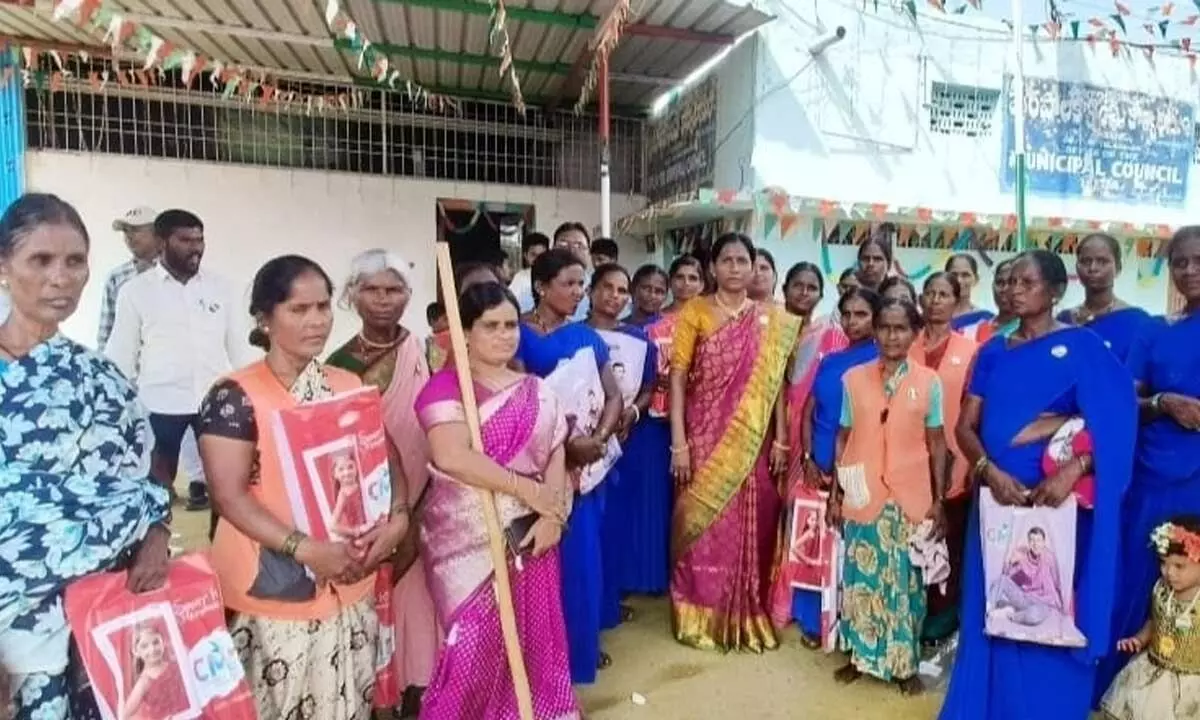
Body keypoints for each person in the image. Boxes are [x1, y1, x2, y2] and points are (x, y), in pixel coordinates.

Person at [198, 255, 410, 719]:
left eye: (323, 307)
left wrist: (397, 519)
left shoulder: (344, 382)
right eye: (299, 310)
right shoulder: (234, 396)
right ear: (264, 318)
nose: (316, 321)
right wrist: (306, 549)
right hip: (274, 591)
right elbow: (228, 496)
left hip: (349, 582)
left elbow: (385, 458)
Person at [939, 250, 1137, 720]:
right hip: (997, 499)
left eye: (1027, 282)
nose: (1014, 290)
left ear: (1055, 291)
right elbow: (965, 428)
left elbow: (1118, 421)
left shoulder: (1084, 348)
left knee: (1046, 605)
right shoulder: (992, 351)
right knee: (996, 606)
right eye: (1008, 282)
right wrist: (988, 471)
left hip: (1055, 505)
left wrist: (1073, 471)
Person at [0, 194, 171, 719]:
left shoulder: (100, 379)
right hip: (13, 635)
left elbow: (147, 477)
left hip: (99, 616)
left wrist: (156, 536)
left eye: (75, 261)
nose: (61, 278)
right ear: (3, 268)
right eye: (41, 260)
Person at [415, 281, 580, 720]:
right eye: (491, 326)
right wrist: (529, 493)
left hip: (532, 537)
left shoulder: (536, 389)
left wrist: (553, 517)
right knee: (473, 650)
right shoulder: (445, 388)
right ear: (465, 332)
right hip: (469, 544)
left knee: (533, 642)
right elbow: (452, 456)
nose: (505, 335)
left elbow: (556, 452)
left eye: (511, 325)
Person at [669, 233, 803, 652]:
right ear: (712, 268)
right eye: (725, 260)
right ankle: (699, 613)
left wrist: (782, 440)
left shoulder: (772, 319)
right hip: (703, 435)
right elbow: (677, 376)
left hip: (756, 439)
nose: (733, 267)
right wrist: (679, 443)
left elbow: (777, 384)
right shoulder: (695, 311)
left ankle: (747, 612)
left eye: (741, 260)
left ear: (753, 267)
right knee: (704, 524)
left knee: (753, 520)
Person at [324, 249, 438, 717]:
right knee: (381, 593)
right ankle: (381, 691)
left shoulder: (431, 350)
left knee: (423, 596)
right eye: (371, 289)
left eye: (393, 290)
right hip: (374, 505)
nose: (383, 300)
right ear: (352, 296)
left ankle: (423, 685)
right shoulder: (338, 364)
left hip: (434, 491)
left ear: (408, 296)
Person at [1100, 226, 1200, 696]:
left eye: (1197, 260)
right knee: (1145, 572)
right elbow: (1126, 403)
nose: (1188, 270)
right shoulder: (1154, 331)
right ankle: (1128, 686)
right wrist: (1163, 403)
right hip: (1154, 475)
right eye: (1180, 262)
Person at [831, 297, 948, 694]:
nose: (891, 335)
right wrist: (835, 493)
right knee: (860, 577)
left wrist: (939, 501)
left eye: (900, 328)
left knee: (906, 585)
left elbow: (937, 442)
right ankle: (859, 656)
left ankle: (904, 664)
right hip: (863, 493)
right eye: (884, 327)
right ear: (874, 331)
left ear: (915, 333)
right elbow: (843, 435)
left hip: (909, 498)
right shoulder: (853, 378)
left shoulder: (928, 382)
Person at [517, 248, 622, 683]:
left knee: (581, 561)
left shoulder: (588, 338)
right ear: (542, 286)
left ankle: (579, 651)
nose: (579, 293)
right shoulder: (515, 333)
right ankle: (536, 659)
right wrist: (561, 446)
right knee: (537, 561)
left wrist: (597, 440)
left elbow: (613, 395)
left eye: (582, 284)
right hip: (532, 464)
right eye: (570, 284)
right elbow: (515, 399)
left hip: (584, 468)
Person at [105, 209, 252, 512]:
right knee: (155, 488)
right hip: (160, 404)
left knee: (228, 485)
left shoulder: (221, 288)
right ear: (162, 242)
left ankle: (226, 551)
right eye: (185, 240)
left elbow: (240, 349)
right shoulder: (135, 292)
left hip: (215, 401)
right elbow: (120, 355)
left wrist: (253, 395)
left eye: (199, 240)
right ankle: (156, 552)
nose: (195, 247)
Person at [768, 262, 849, 630]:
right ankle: (770, 590)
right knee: (774, 510)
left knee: (801, 513)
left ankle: (796, 602)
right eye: (797, 285)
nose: (803, 292)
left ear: (820, 294)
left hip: (808, 435)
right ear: (784, 289)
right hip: (769, 431)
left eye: (811, 287)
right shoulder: (772, 331)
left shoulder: (831, 337)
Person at [586, 264, 657, 625]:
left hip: (624, 445)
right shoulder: (574, 335)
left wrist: (631, 412)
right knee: (586, 531)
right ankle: (589, 608)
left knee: (614, 526)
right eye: (608, 288)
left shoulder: (640, 339)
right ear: (590, 291)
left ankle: (609, 602)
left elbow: (648, 388)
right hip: (581, 446)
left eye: (622, 290)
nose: (615, 296)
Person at [914, 271, 979, 643]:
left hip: (954, 461)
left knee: (948, 545)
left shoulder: (970, 352)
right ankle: (907, 618)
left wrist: (970, 462)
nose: (936, 300)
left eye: (944, 294)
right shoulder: (906, 344)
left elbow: (974, 412)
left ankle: (938, 629)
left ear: (957, 301)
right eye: (930, 293)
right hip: (908, 461)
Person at [1100, 516, 1200, 720]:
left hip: (1191, 682)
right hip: (1154, 671)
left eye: (1179, 566)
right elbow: (1155, 621)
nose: (1169, 572)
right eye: (1164, 563)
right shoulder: (1161, 591)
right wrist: (1139, 639)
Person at [617, 265, 672, 596]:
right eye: (645, 288)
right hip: (620, 424)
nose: (652, 295)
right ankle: (624, 575)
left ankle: (651, 577)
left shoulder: (671, 329)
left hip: (655, 424)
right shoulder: (617, 330)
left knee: (654, 499)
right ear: (633, 290)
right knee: (625, 497)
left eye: (658, 289)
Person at [1056, 233, 1152, 362]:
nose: (1093, 268)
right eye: (1085, 261)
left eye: (1102, 261)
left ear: (1118, 268)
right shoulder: (1064, 320)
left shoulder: (1138, 321)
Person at [644, 255, 704, 424]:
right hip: (656, 407)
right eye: (680, 277)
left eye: (693, 278)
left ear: (701, 285)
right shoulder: (654, 321)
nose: (686, 283)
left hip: (697, 407)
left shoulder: (708, 323)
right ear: (670, 282)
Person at [98, 206, 160, 349]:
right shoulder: (116, 277)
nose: (129, 236)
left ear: (157, 234)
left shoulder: (177, 274)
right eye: (125, 230)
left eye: (136, 230)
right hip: (128, 368)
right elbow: (106, 334)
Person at [427, 263, 503, 373]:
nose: (485, 296)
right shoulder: (446, 339)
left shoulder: (512, 337)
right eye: (475, 290)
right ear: (457, 299)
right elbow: (435, 372)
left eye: (493, 289)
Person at [120, 622, 189, 720]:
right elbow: (125, 716)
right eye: (144, 646)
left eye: (156, 642)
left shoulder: (175, 665)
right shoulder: (144, 681)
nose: (152, 649)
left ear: (163, 641)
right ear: (136, 651)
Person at [945, 253, 995, 339]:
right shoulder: (933, 316)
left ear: (976, 279)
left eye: (965, 275)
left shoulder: (984, 319)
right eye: (954, 275)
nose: (959, 280)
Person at [554, 222, 594, 322]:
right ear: (552, 249)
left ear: (588, 253)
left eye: (578, 246)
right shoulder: (536, 289)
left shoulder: (599, 288)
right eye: (563, 245)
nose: (571, 250)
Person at [976, 258, 1017, 343]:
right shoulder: (980, 327)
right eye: (999, 282)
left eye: (1011, 283)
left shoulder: (1028, 332)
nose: (1004, 289)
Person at [509, 232, 550, 313]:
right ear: (525, 255)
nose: (538, 259)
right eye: (533, 255)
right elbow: (510, 302)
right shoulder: (520, 277)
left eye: (542, 255)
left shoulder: (554, 274)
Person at [426, 301, 448, 370]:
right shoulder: (433, 340)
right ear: (432, 322)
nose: (448, 322)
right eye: (445, 319)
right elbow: (435, 367)